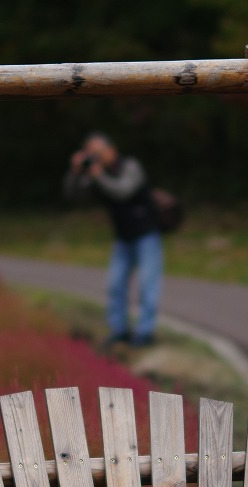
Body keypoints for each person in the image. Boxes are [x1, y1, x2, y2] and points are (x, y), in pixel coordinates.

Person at [63, 132, 163, 347]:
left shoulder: (130, 166)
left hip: (146, 234)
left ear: (111, 149)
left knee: (147, 284)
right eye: (90, 153)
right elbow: (73, 196)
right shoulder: (95, 173)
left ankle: (144, 333)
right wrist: (75, 171)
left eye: (98, 152)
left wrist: (99, 176)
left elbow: (122, 191)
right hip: (123, 237)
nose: (95, 157)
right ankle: (119, 330)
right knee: (115, 284)